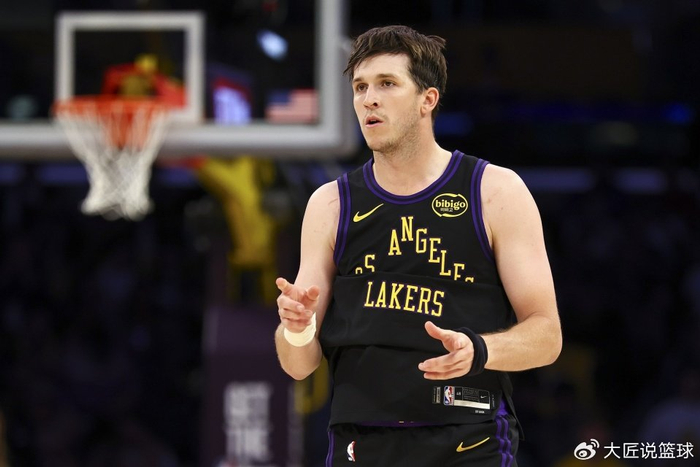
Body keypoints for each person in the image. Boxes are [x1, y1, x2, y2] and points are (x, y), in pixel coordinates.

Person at [274, 24, 562, 466]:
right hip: (361, 442)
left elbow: (547, 335)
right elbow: (298, 365)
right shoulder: (330, 203)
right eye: (360, 87)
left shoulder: (495, 191)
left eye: (387, 84)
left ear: (428, 99)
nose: (369, 99)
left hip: (468, 439)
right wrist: (297, 326)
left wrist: (481, 350)